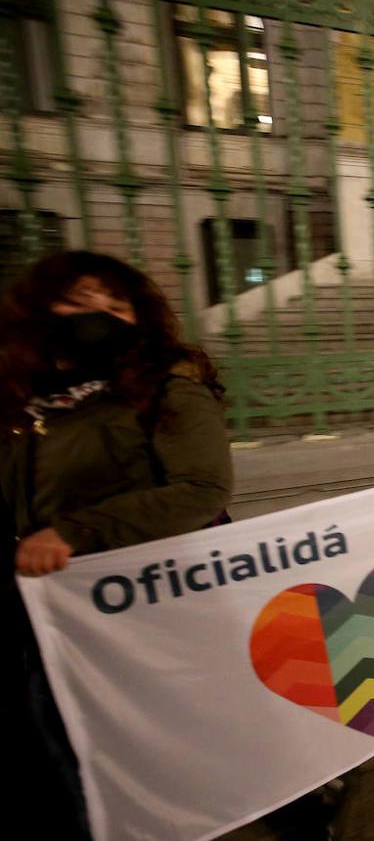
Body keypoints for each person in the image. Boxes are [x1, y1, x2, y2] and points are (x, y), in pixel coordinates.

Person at [1, 251, 234, 837]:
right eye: (79, 302)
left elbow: (202, 488)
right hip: (53, 603)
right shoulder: (20, 399)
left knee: (202, 716)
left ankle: (299, 797)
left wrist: (75, 532)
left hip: (156, 590)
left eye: (114, 305)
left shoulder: (166, 384)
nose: (97, 316)